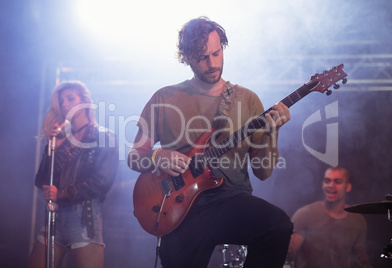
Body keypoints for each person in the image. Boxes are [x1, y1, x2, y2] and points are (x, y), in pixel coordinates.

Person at [128, 17, 293, 268]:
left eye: (217, 53)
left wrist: (272, 133)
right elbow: (134, 156)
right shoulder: (164, 97)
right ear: (186, 57)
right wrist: (156, 156)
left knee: (278, 226)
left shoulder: (247, 99)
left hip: (230, 200)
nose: (213, 63)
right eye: (203, 57)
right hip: (180, 209)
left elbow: (263, 172)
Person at [28, 81, 119, 268]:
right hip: (55, 216)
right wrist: (52, 147)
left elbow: (102, 182)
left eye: (70, 98)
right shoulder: (61, 138)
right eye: (61, 101)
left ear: (84, 101)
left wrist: (61, 193)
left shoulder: (104, 136)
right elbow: (41, 181)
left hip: (84, 218)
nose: (65, 104)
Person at [288, 166, 371, 268]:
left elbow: (360, 256)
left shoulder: (357, 219)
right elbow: (290, 254)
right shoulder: (305, 214)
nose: (331, 185)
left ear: (348, 187)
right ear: (322, 184)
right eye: (327, 181)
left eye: (337, 181)